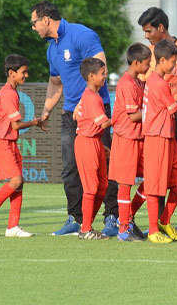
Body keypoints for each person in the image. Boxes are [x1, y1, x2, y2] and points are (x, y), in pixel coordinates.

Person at [31, 1, 118, 237]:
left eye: (34, 22)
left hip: (95, 112)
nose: (33, 27)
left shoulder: (82, 34)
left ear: (46, 19)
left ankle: (112, 217)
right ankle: (76, 218)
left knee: (107, 165)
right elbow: (56, 83)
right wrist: (46, 111)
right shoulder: (51, 48)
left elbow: (102, 66)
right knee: (70, 168)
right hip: (70, 115)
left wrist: (86, 102)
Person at [137, 7, 177, 236]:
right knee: (156, 182)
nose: (146, 35)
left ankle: (171, 221)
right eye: (171, 63)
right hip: (159, 130)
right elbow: (143, 89)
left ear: (161, 28)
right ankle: (149, 225)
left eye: (149, 30)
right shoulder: (151, 66)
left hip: (176, 126)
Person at [0, 55, 43, 237]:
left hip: (8, 139)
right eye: (23, 72)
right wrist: (35, 122)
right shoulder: (9, 93)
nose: (26, 75)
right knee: (15, 181)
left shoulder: (11, 91)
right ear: (11, 73)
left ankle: (12, 227)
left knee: (19, 183)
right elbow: (15, 125)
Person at [142, 40, 177, 244]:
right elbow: (174, 109)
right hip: (157, 136)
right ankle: (152, 230)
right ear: (161, 60)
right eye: (173, 61)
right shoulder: (158, 83)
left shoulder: (157, 81)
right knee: (154, 184)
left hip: (167, 136)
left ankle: (164, 221)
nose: (175, 66)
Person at [109, 43, 152, 242]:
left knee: (152, 180)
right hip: (126, 139)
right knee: (125, 185)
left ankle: (128, 217)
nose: (149, 66)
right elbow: (134, 116)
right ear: (136, 62)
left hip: (139, 139)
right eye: (146, 63)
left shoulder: (138, 82)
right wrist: (156, 111)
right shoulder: (126, 83)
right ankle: (123, 228)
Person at [74, 58, 112, 240]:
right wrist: (123, 116)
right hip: (86, 142)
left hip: (94, 141)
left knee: (102, 185)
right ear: (91, 76)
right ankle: (86, 229)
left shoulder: (91, 95)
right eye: (102, 73)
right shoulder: (91, 97)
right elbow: (104, 123)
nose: (105, 76)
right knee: (92, 187)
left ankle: (86, 225)